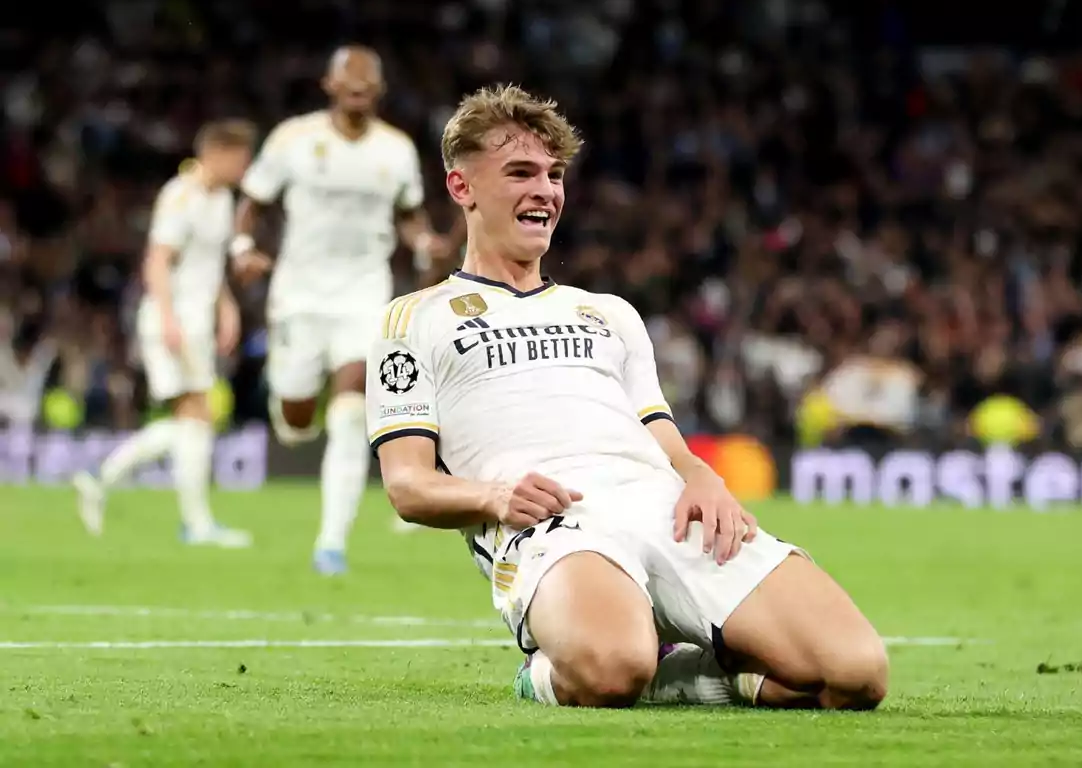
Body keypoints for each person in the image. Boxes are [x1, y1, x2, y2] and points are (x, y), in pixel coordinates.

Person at [367, 85, 889, 710]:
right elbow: (408, 487)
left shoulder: (608, 313)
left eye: (554, 175)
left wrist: (701, 476)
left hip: (665, 509)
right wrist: (494, 497)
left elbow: (661, 435)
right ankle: (565, 671)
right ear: (462, 188)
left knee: (855, 674)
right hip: (555, 524)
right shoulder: (414, 320)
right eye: (521, 173)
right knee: (613, 672)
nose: (545, 191)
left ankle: (693, 673)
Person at [231, 45, 451, 573]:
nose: (358, 83)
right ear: (328, 85)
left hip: (363, 293)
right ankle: (289, 408)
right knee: (298, 414)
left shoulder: (394, 150)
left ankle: (331, 541)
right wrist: (242, 249)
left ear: (378, 89)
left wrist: (425, 244)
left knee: (352, 412)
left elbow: (410, 215)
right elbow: (252, 202)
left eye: (368, 77)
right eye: (348, 76)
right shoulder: (294, 139)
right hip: (299, 295)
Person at [73, 120, 268, 546]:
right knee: (196, 413)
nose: (244, 168)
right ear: (216, 154)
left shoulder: (221, 199)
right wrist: (167, 318)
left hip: (197, 316)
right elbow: (158, 260)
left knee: (191, 419)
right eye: (239, 159)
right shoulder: (181, 196)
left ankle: (102, 478)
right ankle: (195, 524)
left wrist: (228, 308)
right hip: (174, 315)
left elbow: (207, 264)